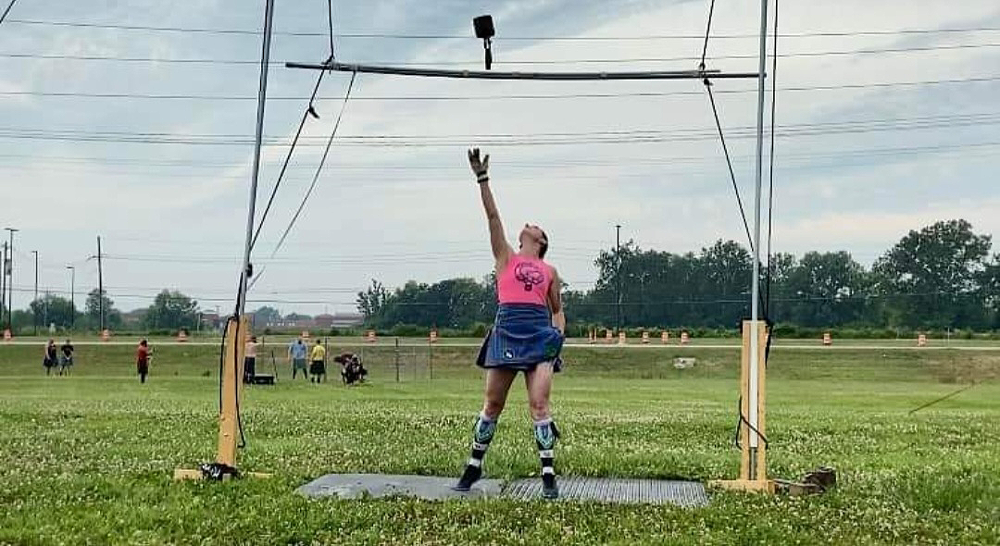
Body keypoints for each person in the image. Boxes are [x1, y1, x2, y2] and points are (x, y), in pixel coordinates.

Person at [453, 149, 566, 499]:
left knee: (539, 405)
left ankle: (548, 477)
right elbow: (492, 217)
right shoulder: (505, 257)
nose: (529, 223)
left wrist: (556, 339)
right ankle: (474, 467)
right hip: (506, 331)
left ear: (541, 241)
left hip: (538, 336)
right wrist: (482, 178)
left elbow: (558, 311)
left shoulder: (550, 271)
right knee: (492, 404)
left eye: (535, 226)